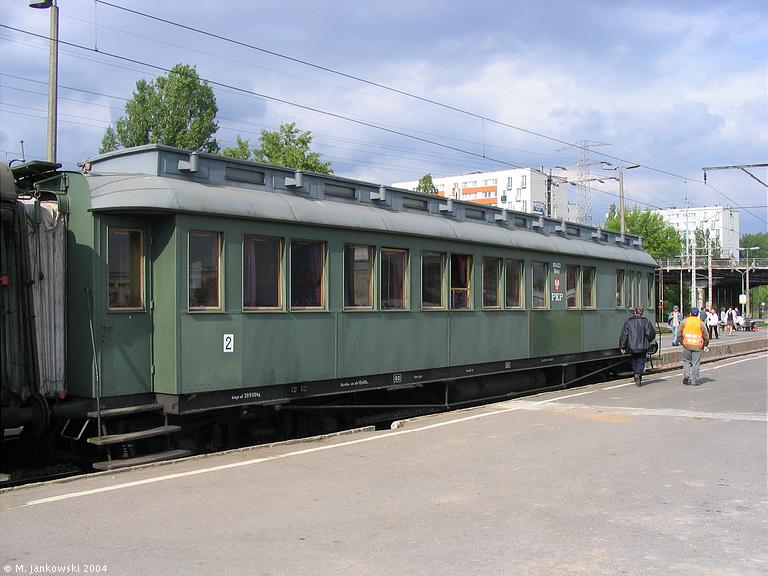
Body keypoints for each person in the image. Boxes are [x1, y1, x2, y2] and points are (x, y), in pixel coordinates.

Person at [619, 305, 657, 386]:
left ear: (634, 311)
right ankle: (638, 373)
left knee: (634, 360)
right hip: (642, 346)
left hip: (632, 346)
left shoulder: (628, 322)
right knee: (641, 361)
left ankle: (636, 374)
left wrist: (622, 346)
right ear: (642, 313)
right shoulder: (646, 322)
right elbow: (651, 333)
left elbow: (624, 335)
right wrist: (647, 341)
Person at [680, 306, 710, 386]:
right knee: (695, 363)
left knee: (686, 361)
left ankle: (686, 375)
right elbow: (706, 336)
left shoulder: (684, 322)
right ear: (698, 314)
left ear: (690, 313)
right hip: (697, 346)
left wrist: (682, 342)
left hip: (686, 345)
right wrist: (705, 345)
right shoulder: (701, 323)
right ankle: (694, 380)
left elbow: (679, 333)